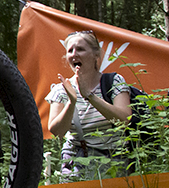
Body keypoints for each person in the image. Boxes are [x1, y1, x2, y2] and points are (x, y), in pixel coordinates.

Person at [46, 31, 133, 180]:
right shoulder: (60, 90)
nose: (74, 54)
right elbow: (57, 131)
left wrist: (90, 96)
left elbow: (124, 120)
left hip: (113, 162)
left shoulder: (114, 81)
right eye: (70, 51)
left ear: (96, 54)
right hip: (76, 162)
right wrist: (71, 102)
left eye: (80, 49)